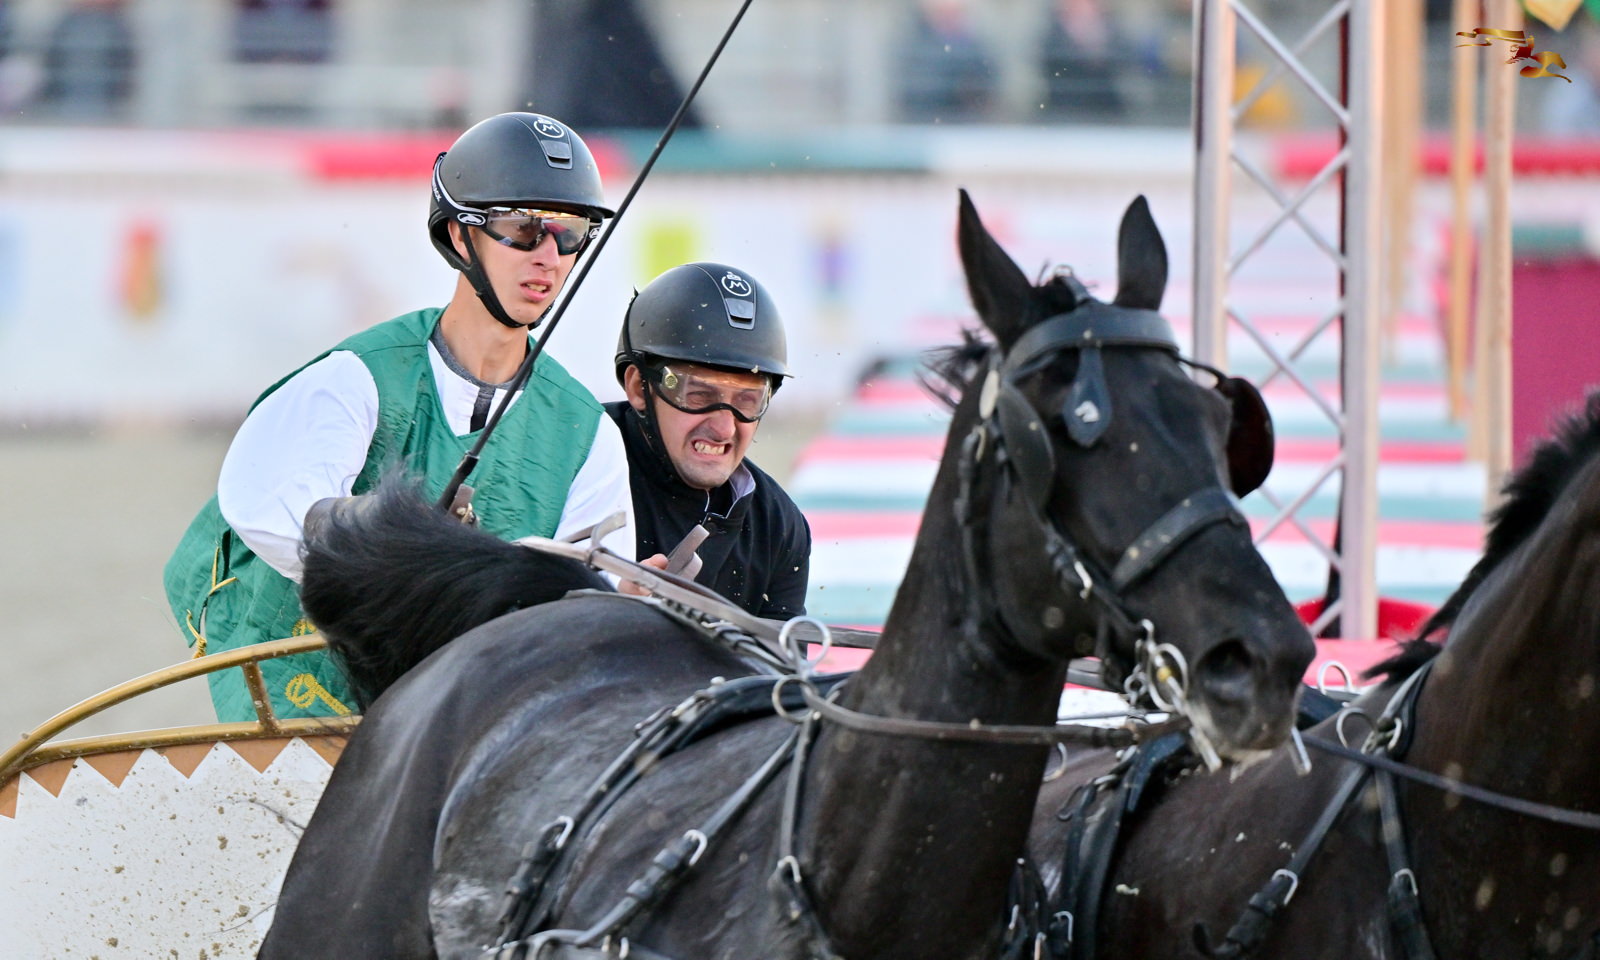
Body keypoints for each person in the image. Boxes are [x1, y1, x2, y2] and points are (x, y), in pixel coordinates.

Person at [164, 112, 634, 722]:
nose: (549, 255)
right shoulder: (354, 377)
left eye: (570, 232)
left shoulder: (588, 431)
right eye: (524, 228)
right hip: (299, 707)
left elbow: (582, 613)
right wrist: (446, 562)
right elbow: (281, 518)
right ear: (460, 237)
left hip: (463, 718)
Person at [609, 263, 810, 620]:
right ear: (639, 387)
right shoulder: (573, 463)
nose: (724, 428)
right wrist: (606, 611)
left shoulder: (777, 525)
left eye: (747, 401)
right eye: (699, 395)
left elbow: (785, 656)